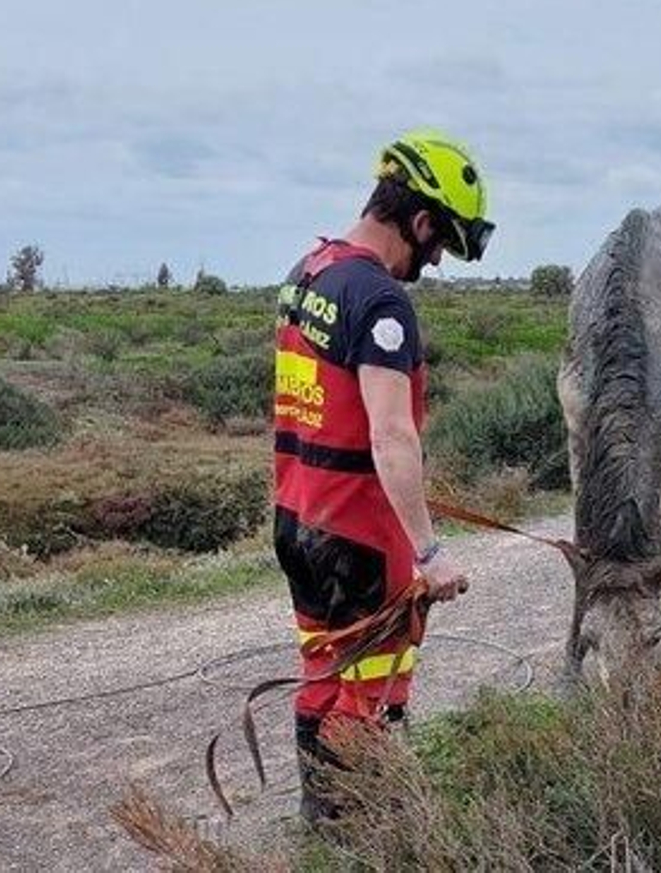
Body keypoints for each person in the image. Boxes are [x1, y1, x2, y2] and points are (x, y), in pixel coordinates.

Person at [271, 128, 494, 822]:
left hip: (297, 519)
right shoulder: (381, 301)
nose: (433, 262)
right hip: (358, 537)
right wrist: (430, 554)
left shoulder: (308, 273)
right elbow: (391, 434)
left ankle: (323, 820)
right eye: (439, 245)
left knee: (323, 674)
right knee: (369, 693)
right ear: (420, 220)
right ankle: (366, 836)